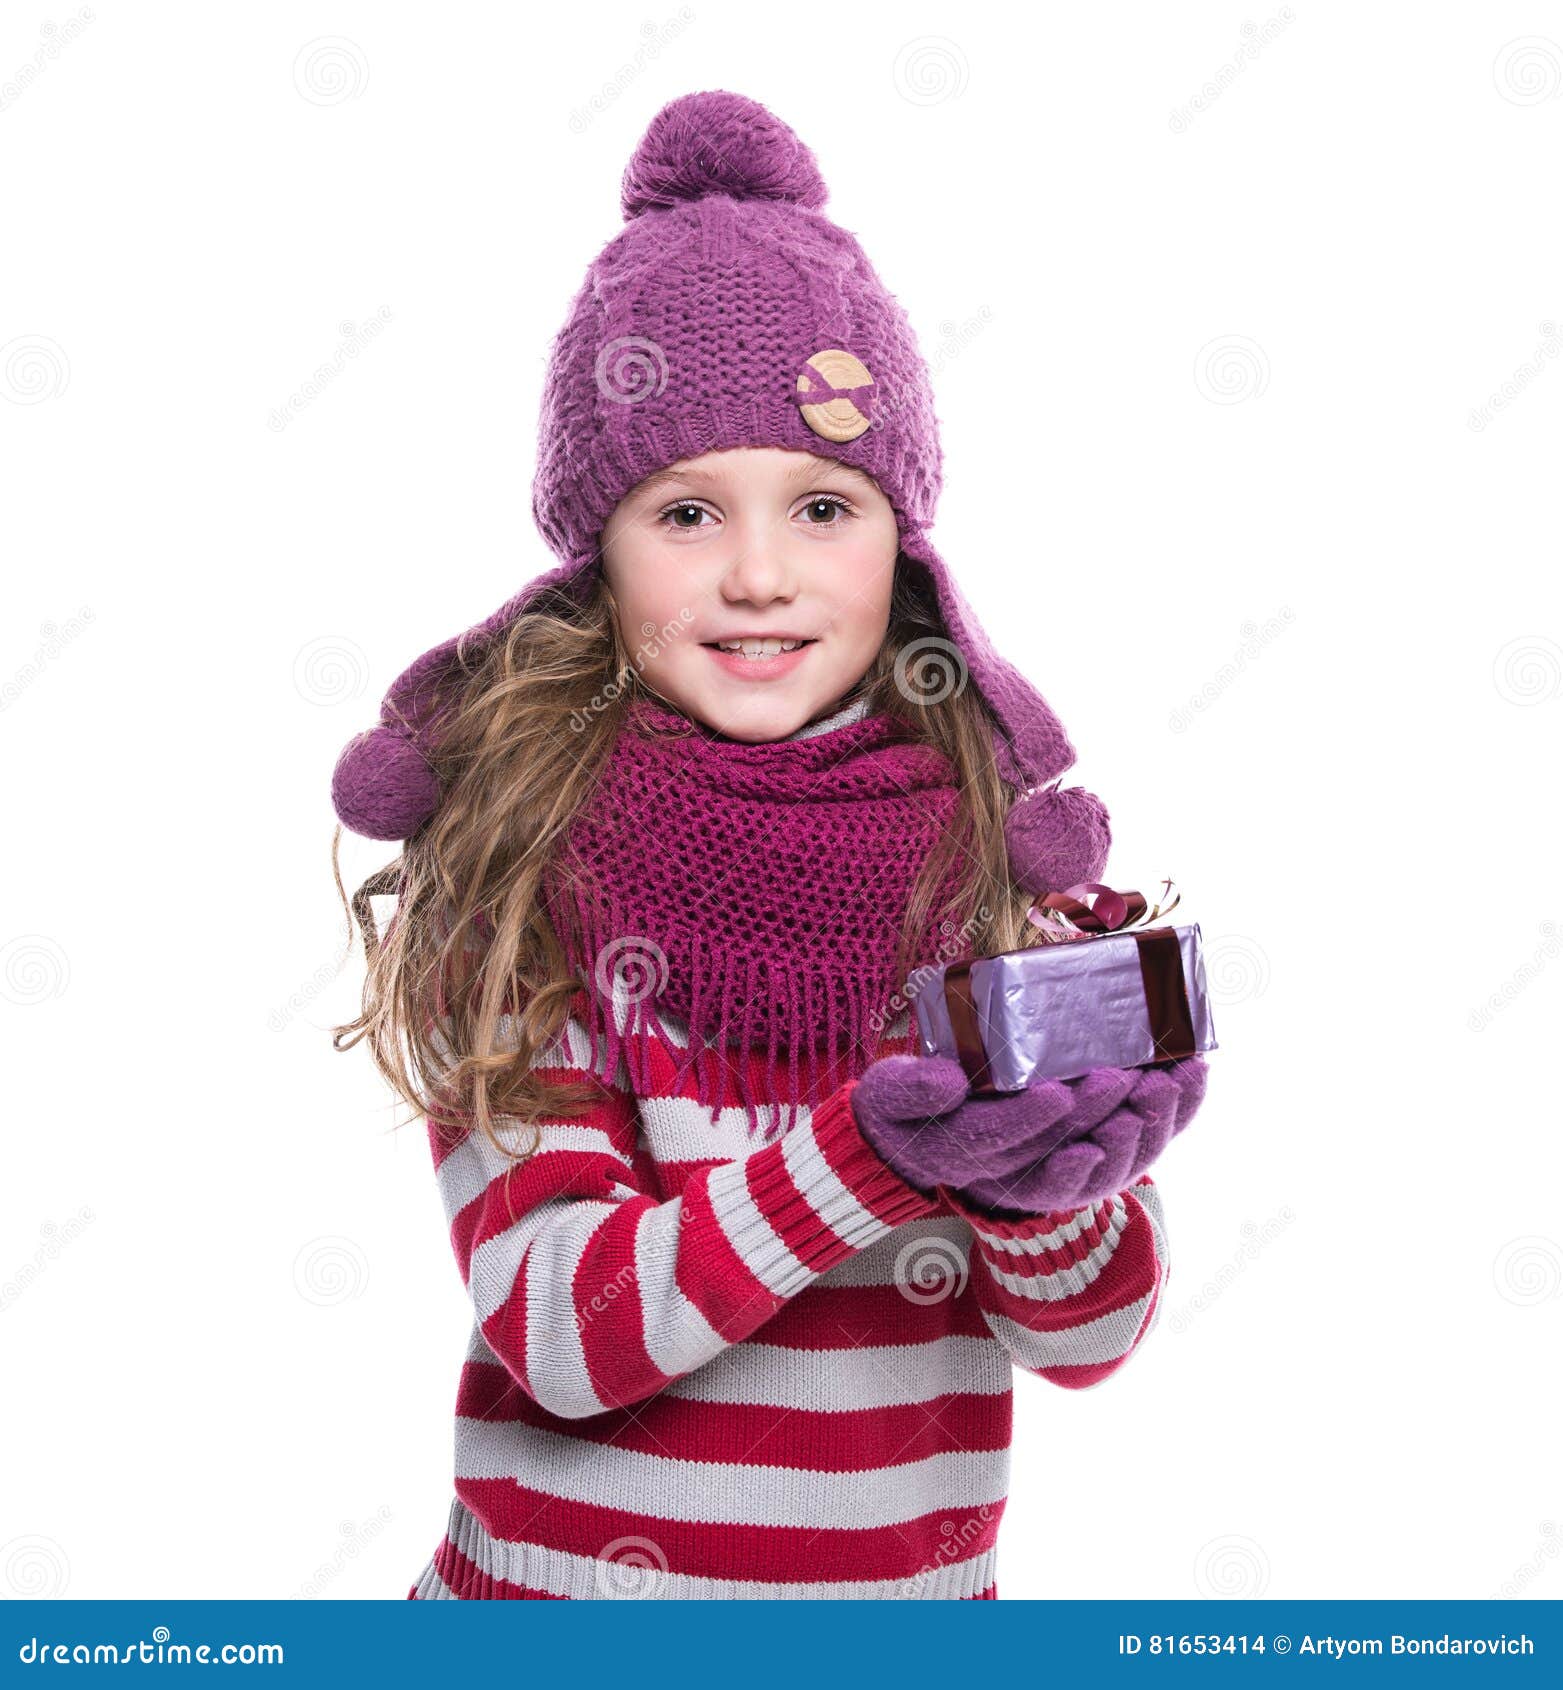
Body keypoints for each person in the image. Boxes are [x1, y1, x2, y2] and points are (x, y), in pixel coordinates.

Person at [329, 89, 1208, 1602]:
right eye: (683, 511)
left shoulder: (987, 885)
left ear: (904, 541)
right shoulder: (523, 875)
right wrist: (874, 1150)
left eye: (820, 503)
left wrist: (1049, 1181)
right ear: (595, 558)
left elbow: (1089, 1345)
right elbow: (562, 1331)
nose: (756, 572)